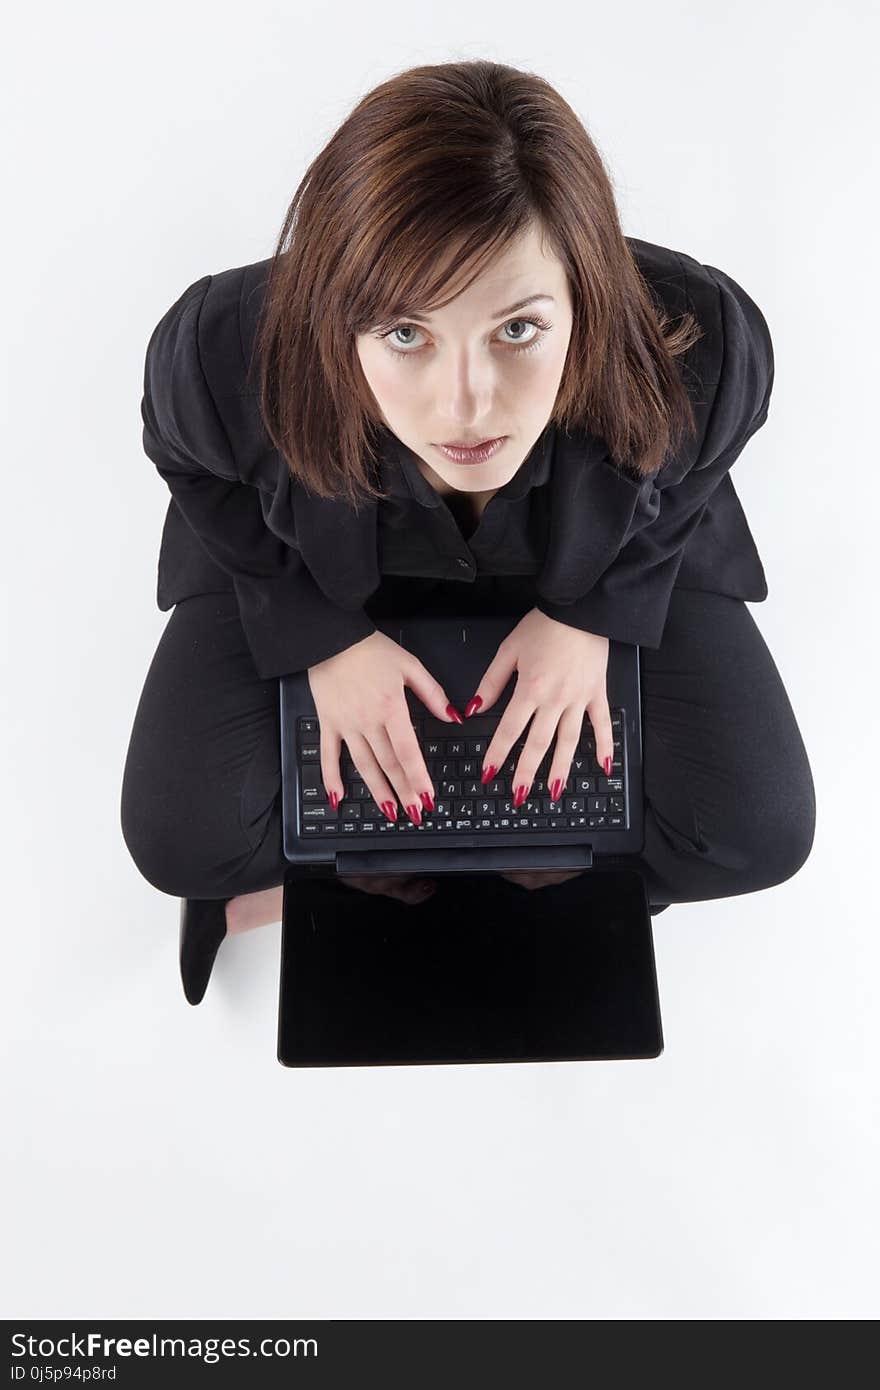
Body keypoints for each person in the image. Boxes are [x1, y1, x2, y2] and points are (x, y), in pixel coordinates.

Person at [120, 59, 816, 1005]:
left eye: (518, 330)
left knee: (757, 828)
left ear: (588, 293)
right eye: (406, 335)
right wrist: (317, 636)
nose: (466, 404)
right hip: (323, 563)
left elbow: (721, 432)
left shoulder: (696, 331)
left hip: (591, 549)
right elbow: (185, 457)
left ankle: (519, 858)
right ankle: (354, 870)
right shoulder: (221, 344)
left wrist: (597, 615)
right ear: (338, 317)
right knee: (183, 840)